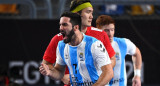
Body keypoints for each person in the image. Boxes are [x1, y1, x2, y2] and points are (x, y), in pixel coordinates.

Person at [42, 0, 116, 85]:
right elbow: (47, 64)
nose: (91, 16)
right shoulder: (59, 40)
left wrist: (101, 68)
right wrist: (63, 77)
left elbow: (112, 60)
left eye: (92, 13)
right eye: (88, 12)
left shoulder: (100, 35)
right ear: (77, 14)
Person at [96, 15, 142, 86]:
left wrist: (137, 75)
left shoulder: (123, 43)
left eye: (112, 30)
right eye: (106, 30)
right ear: (98, 30)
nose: (110, 34)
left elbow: (137, 53)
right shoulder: (91, 46)